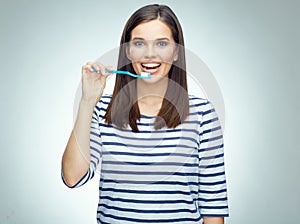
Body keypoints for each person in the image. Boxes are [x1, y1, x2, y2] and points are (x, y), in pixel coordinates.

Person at [61, 4, 229, 224]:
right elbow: (73, 177)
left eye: (162, 43)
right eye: (139, 43)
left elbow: (213, 207)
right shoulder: (102, 111)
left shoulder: (203, 115)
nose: (150, 54)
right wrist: (87, 101)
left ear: (176, 52)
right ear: (128, 52)